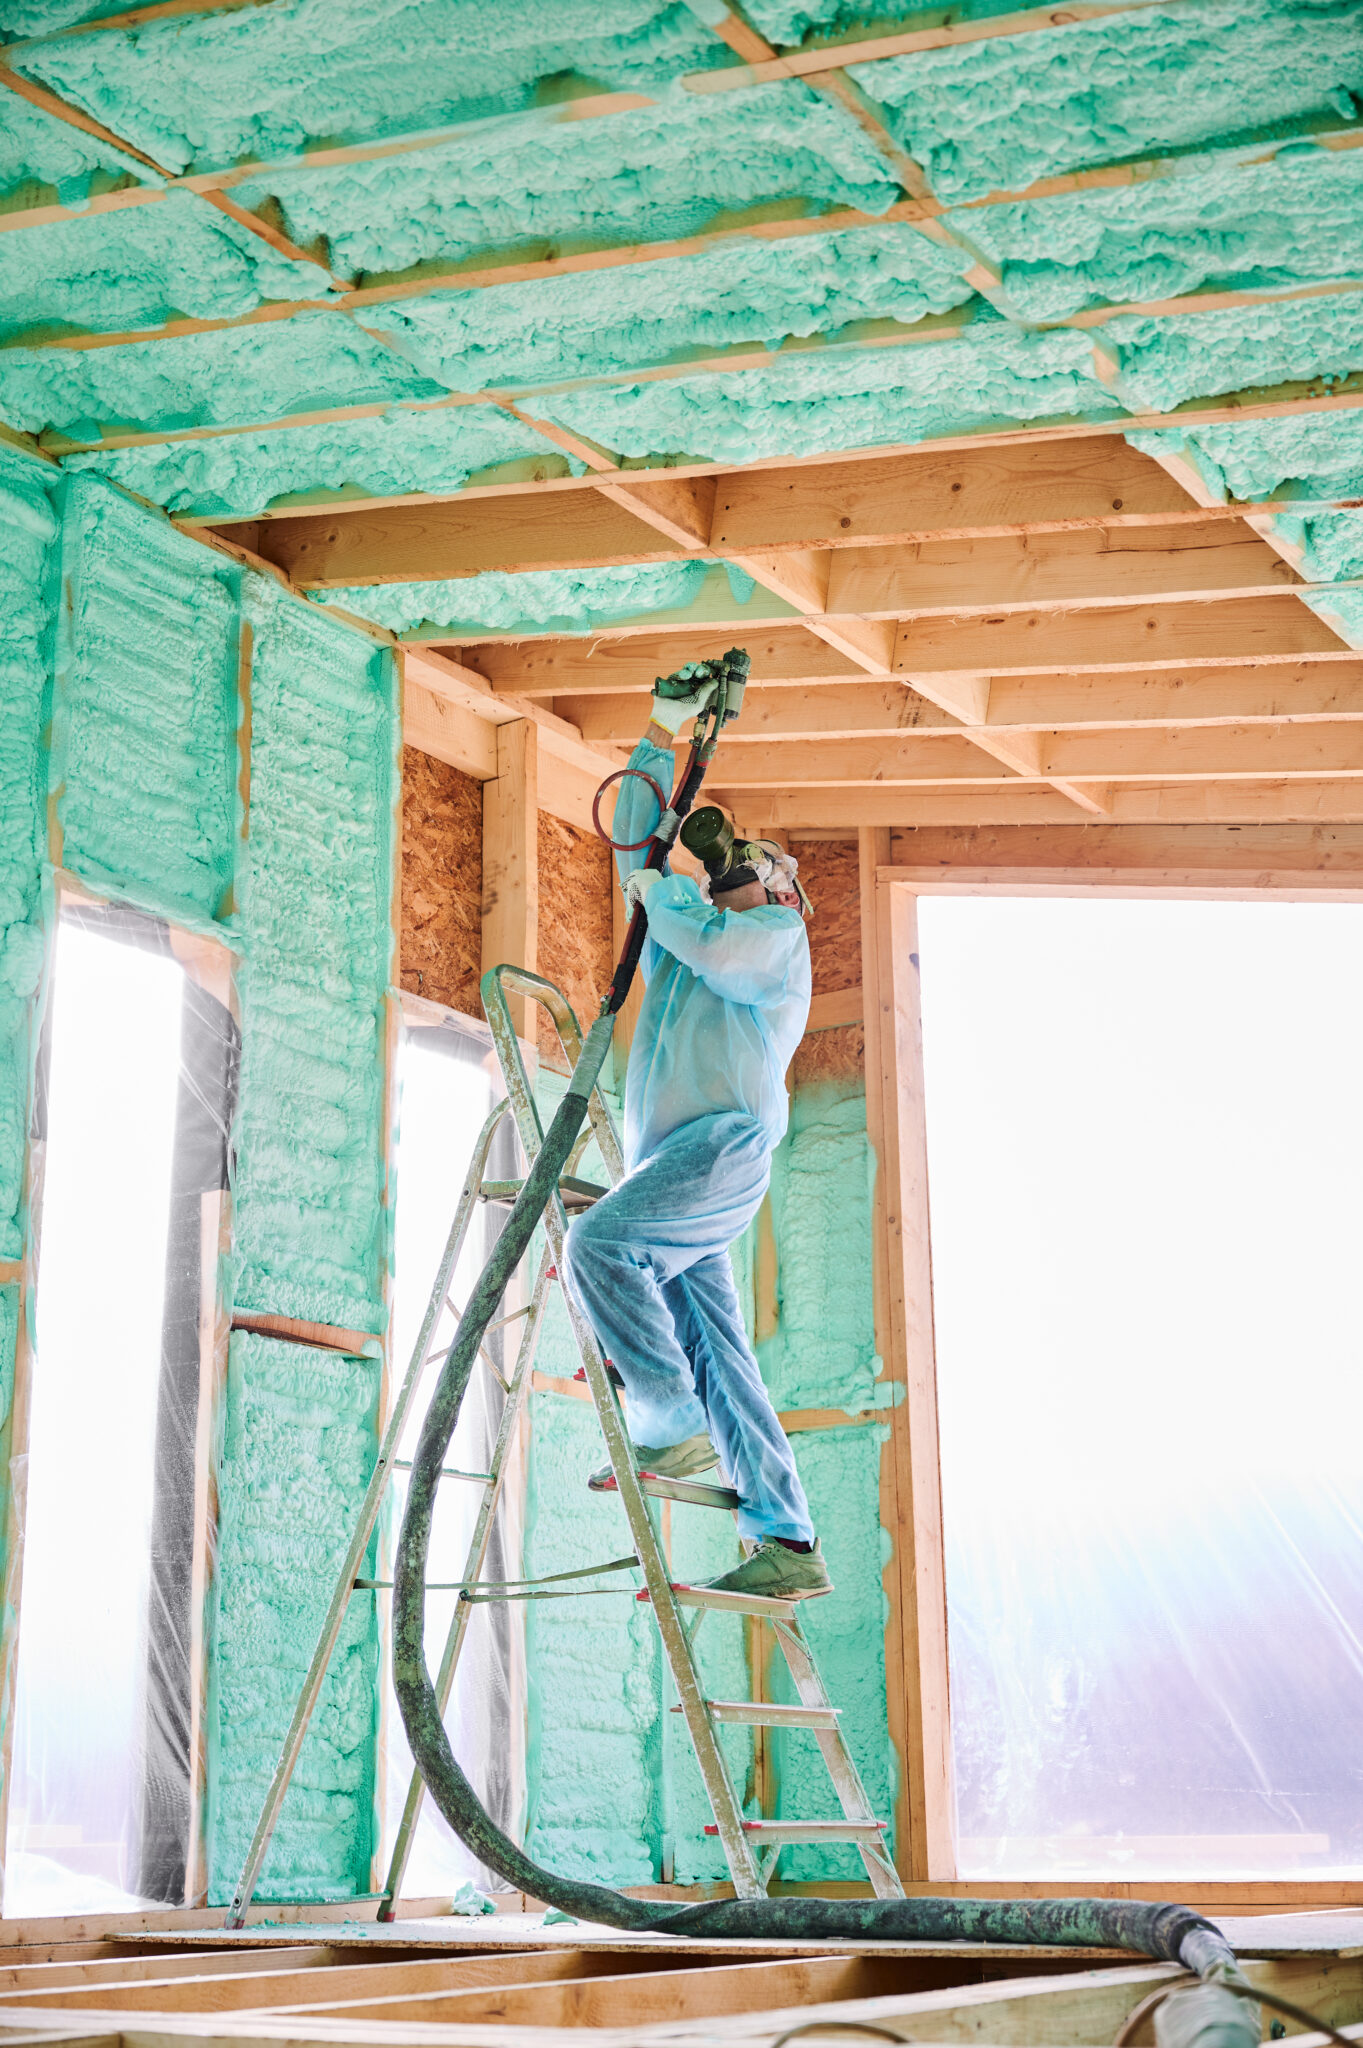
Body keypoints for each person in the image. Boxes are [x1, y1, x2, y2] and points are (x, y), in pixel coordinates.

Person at [560, 668, 831, 1601]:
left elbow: (708, 937)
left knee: (596, 1243)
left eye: (759, 867)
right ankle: (788, 1541)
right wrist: (658, 733)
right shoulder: (689, 926)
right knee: (718, 1347)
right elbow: (637, 835)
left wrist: (663, 889)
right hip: (674, 1162)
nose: (738, 868)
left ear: (788, 897)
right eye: (736, 863)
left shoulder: (775, 947)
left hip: (721, 1149)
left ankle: (663, 1412)